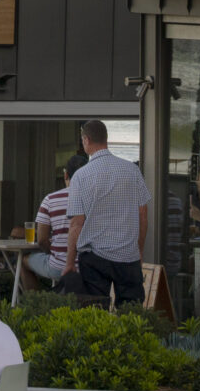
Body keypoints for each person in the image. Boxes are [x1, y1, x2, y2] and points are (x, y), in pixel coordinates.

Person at [60, 119, 150, 304]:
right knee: (131, 312)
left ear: (86, 140)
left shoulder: (81, 176)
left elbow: (77, 223)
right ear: (106, 139)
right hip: (128, 255)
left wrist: (69, 262)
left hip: (95, 257)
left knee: (95, 312)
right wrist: (139, 252)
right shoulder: (132, 170)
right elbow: (143, 215)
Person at [24, 155, 87, 288]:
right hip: (88, 267)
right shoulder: (94, 199)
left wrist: (52, 252)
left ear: (65, 175)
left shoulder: (50, 200)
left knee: (24, 261)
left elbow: (41, 240)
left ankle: (35, 303)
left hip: (59, 266)